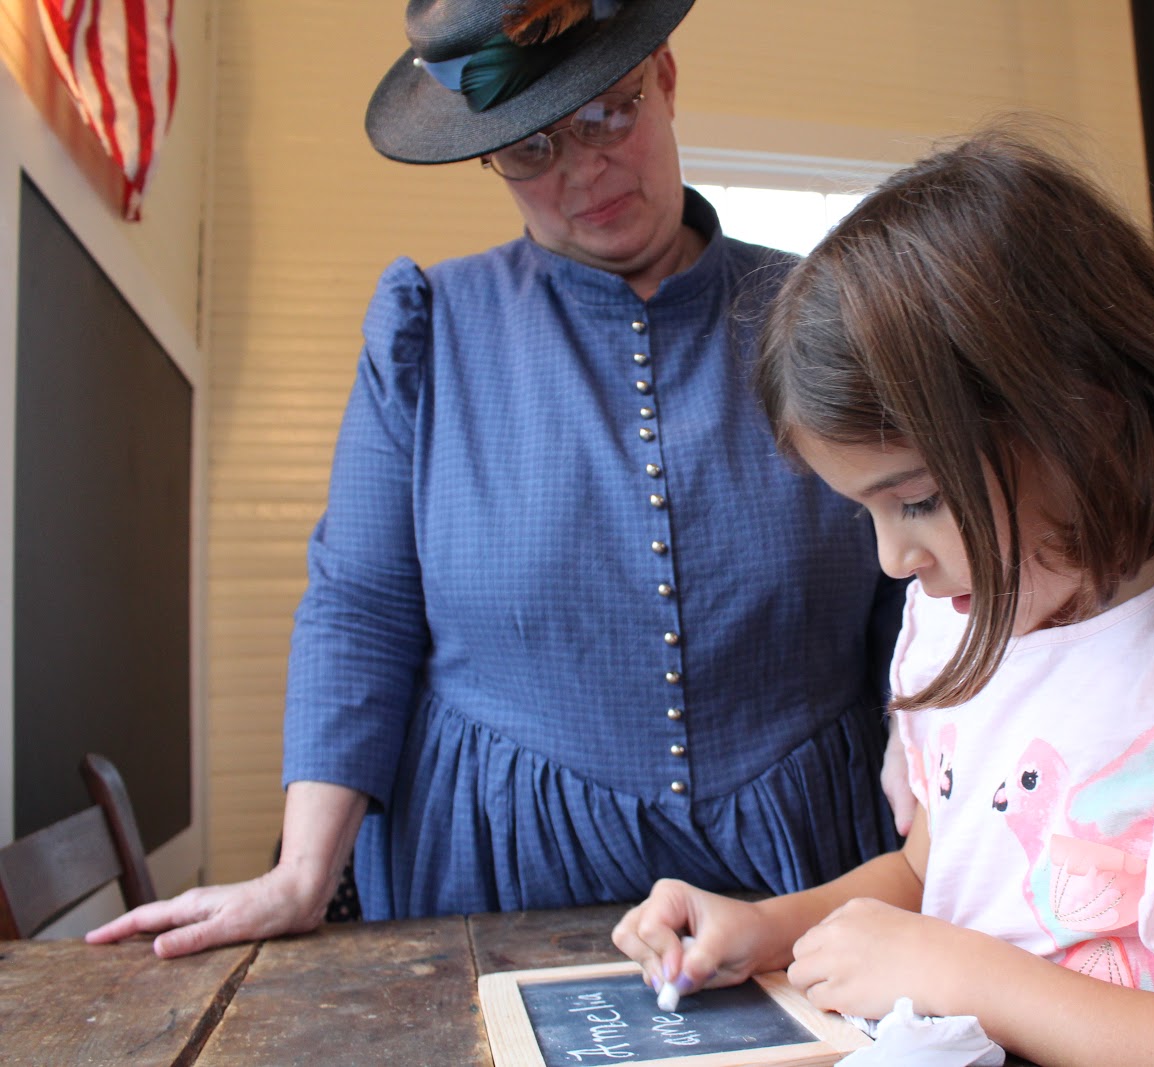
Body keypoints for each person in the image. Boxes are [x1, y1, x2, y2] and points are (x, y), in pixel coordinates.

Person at [88, 0, 901, 958]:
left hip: (807, 865)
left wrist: (943, 785)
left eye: (608, 112)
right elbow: (361, 608)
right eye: (529, 147)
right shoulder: (428, 329)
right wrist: (303, 871)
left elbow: (926, 592)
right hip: (499, 870)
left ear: (667, 77)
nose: (582, 170)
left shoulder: (830, 316)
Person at [611, 123, 1154, 1065]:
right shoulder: (950, 625)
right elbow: (933, 870)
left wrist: (964, 974)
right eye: (868, 512)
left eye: (918, 500)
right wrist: (768, 926)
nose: (892, 559)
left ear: (1086, 417)